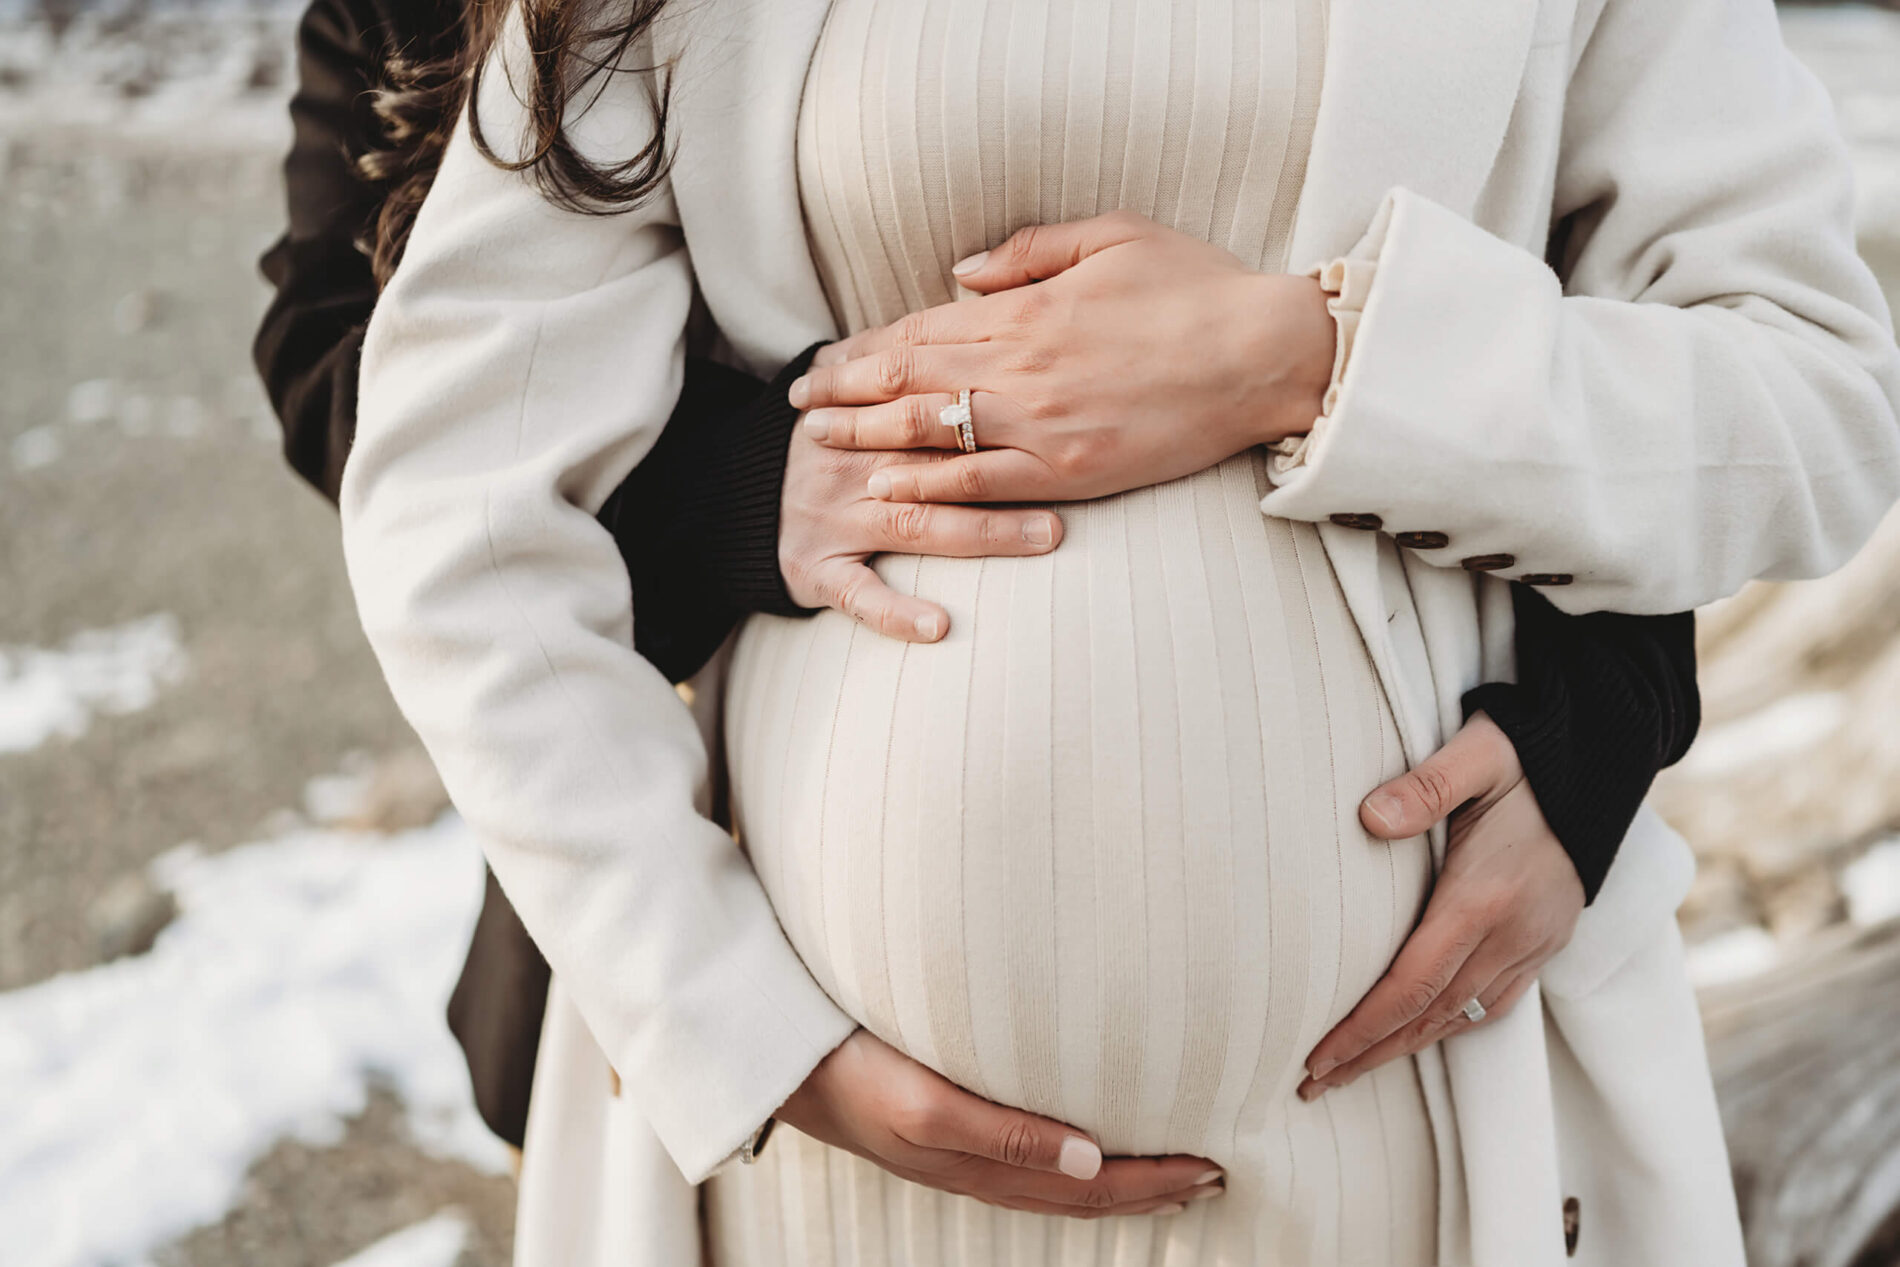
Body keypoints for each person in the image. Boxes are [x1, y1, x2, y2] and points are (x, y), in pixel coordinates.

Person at [326, 0, 1900, 1262]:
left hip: (1398, 1135)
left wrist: (1314, 357)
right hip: (828, 1168)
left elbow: (1814, 407)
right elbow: (451, 500)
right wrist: (734, 1031)